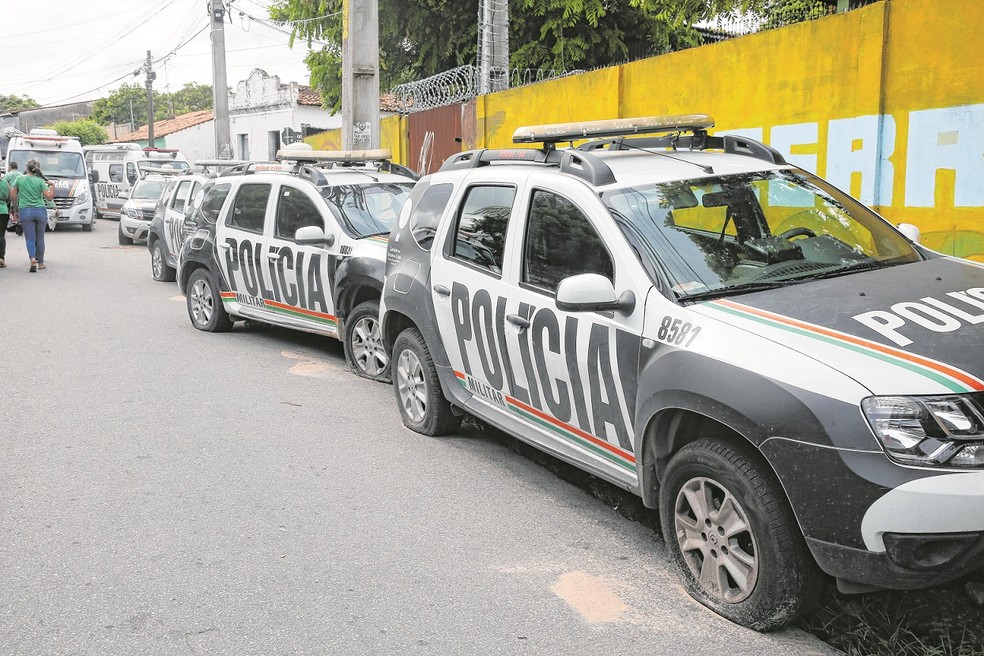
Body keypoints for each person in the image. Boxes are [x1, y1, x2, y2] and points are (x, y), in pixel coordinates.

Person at [9, 158, 55, 272]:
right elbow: (49, 197)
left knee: (30, 238)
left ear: (26, 168)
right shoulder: (40, 181)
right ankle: (41, 263)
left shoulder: (19, 179)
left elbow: (13, 196)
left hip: (25, 211)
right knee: (40, 238)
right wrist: (52, 185)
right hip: (40, 211)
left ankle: (33, 259)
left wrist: (15, 209)